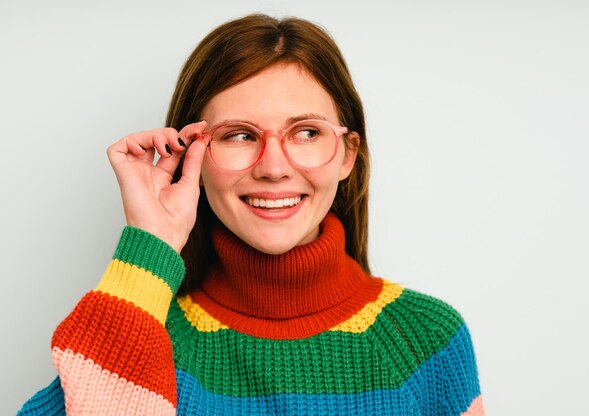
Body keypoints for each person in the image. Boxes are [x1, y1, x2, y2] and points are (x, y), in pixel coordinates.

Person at [19, 14, 483, 416]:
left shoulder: (428, 340)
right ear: (191, 159)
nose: (274, 168)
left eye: (305, 132)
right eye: (239, 135)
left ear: (347, 155)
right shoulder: (147, 341)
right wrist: (151, 243)